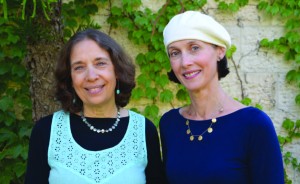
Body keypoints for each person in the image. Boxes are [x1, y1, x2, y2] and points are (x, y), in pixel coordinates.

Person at [25, 29, 166, 184]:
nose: (91, 76)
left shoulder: (143, 131)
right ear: (70, 78)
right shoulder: (46, 131)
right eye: (79, 67)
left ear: (117, 71)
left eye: (100, 63)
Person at [159, 11, 284, 184]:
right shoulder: (170, 123)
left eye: (194, 48)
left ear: (220, 51)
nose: (185, 62)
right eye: (175, 53)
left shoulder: (253, 124)